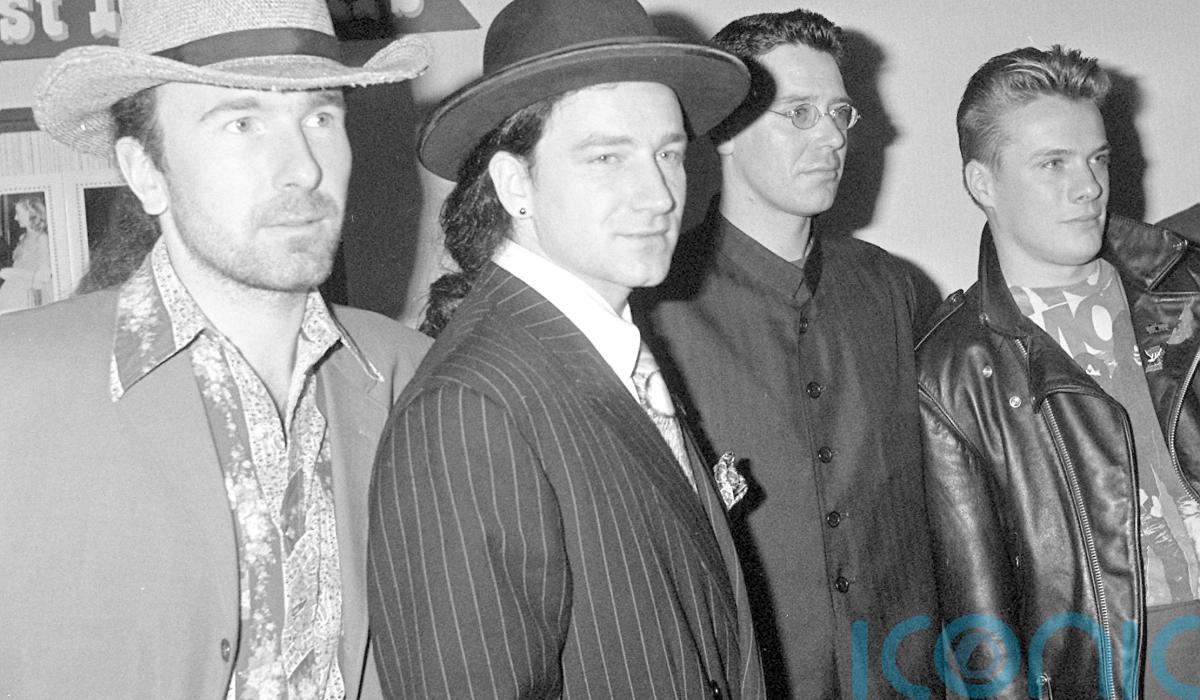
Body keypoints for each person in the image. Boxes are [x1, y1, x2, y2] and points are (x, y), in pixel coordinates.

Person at [0, 0, 431, 697]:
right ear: (146, 171)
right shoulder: (15, 391)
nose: (303, 169)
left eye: (321, 118)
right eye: (241, 122)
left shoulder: (416, 378)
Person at [366, 0, 765, 697]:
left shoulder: (611, 348)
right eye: (607, 157)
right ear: (514, 184)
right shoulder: (471, 409)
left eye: (669, 154)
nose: (659, 194)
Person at [635, 9, 940, 697]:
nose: (832, 136)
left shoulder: (893, 289)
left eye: (839, 113)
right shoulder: (655, 307)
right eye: (798, 113)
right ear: (725, 131)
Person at [917, 45, 1200, 698]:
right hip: (1115, 675)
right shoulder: (953, 370)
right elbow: (981, 624)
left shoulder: (1186, 288)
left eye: (1097, 159)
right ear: (982, 184)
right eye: (1053, 163)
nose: (1089, 186)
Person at [0, 194, 53, 312]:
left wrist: (12, 272)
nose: (15, 218)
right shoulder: (23, 237)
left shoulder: (42, 238)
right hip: (14, 292)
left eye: (18, 213)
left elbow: (44, 276)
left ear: (31, 214)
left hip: (31, 294)